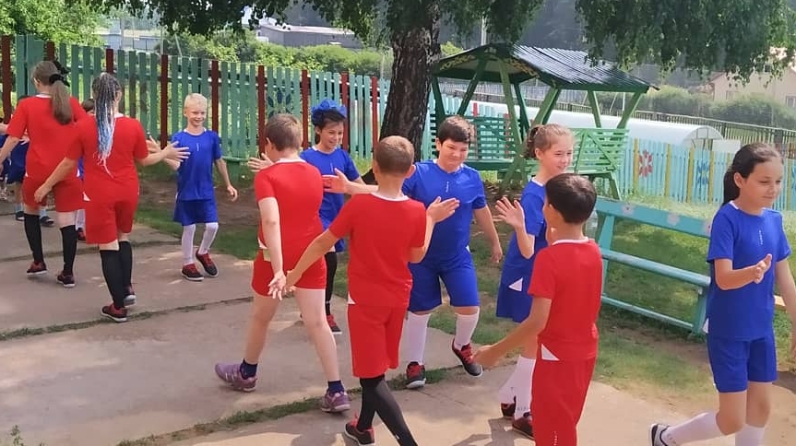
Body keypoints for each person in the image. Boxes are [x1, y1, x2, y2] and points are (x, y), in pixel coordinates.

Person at [280, 135, 459, 446]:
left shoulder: (359, 205)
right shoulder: (417, 210)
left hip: (365, 301)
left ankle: (408, 441)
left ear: (374, 167)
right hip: (398, 299)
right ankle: (363, 428)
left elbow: (323, 243)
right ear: (411, 171)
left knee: (371, 378)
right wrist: (430, 220)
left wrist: (293, 274)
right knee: (376, 368)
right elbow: (416, 255)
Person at [325, 115, 503, 389]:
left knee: (470, 307)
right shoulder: (419, 172)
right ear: (438, 144)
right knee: (420, 311)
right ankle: (415, 364)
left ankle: (461, 344)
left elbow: (481, 210)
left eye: (463, 149)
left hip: (456, 255)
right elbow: (386, 190)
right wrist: (351, 188)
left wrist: (494, 241)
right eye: (451, 147)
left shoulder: (471, 178)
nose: (456, 154)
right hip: (421, 254)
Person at [649, 143, 796, 446]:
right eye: (764, 181)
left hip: (761, 330)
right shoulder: (726, 219)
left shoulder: (774, 220)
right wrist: (752, 273)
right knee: (732, 419)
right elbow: (724, 279)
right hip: (729, 331)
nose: (773, 189)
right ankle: (665, 437)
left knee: (761, 409)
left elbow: (786, 279)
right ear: (740, 179)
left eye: (779, 181)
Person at [214, 113, 350, 414]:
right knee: (317, 322)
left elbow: (272, 220)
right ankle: (336, 389)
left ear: (269, 144)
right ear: (300, 141)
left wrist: (278, 269)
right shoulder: (314, 172)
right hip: (311, 255)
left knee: (261, 317)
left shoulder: (267, 177)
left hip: (272, 258)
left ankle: (247, 372)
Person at [34, 73, 188, 322]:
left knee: (107, 245)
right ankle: (126, 288)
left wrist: (46, 185)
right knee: (122, 237)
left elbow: (67, 163)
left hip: (99, 194)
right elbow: (144, 160)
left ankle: (118, 306)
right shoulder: (132, 125)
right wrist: (165, 152)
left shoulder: (84, 127)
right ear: (119, 95)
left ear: (94, 95)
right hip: (128, 191)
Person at [475, 173, 602, 446]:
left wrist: (495, 351)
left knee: (551, 429)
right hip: (585, 350)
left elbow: (537, 321)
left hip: (556, 355)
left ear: (551, 211)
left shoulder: (548, 259)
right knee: (566, 421)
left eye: (545, 203)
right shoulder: (593, 251)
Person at [492, 123, 574, 436]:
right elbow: (528, 250)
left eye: (569, 153)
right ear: (539, 153)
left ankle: (509, 396)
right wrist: (517, 226)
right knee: (535, 339)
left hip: (545, 272)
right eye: (558, 154)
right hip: (527, 274)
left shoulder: (559, 189)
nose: (565, 160)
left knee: (537, 340)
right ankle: (523, 411)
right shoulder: (534, 195)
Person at [0, 60, 88, 285]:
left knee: (31, 211)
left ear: (37, 81)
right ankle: (68, 272)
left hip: (37, 170)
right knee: (67, 220)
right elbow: (88, 129)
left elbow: (13, 137)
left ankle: (38, 261)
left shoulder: (27, 105)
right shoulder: (70, 103)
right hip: (67, 169)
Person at [299, 98, 364, 335]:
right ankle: (325, 311)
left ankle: (309, 305)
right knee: (329, 260)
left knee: (320, 264)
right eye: (331, 132)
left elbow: (358, 186)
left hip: (337, 217)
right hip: (314, 217)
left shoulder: (343, 157)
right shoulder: (306, 158)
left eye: (340, 133)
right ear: (318, 130)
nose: (336, 137)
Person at [166, 93, 238, 281]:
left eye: (202, 113)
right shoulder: (179, 138)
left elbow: (219, 161)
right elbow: (176, 165)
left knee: (212, 226)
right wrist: (163, 155)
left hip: (206, 190)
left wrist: (228, 184)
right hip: (186, 191)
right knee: (189, 228)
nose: (199, 116)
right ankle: (187, 264)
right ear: (185, 112)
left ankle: (203, 251)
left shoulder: (211, 137)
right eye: (195, 112)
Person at [74, 97, 96, 242]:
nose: (95, 115)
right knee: (82, 201)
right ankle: (79, 227)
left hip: (93, 170)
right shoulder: (79, 127)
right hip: (81, 169)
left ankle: (84, 226)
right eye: (92, 112)